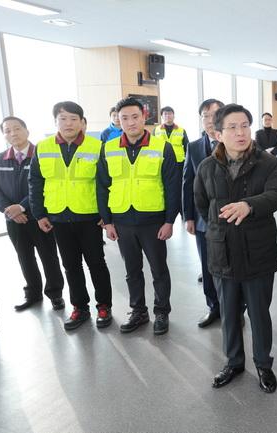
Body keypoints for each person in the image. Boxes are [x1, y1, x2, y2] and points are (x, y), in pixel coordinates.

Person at [194, 103, 277, 393]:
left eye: (245, 125)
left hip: (258, 251)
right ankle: (233, 363)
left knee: (259, 314)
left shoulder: (267, 163)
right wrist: (221, 229)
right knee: (229, 314)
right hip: (223, 252)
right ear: (218, 134)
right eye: (232, 127)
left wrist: (249, 205)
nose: (240, 132)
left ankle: (263, 364)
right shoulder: (207, 167)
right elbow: (202, 204)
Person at [97, 97, 180, 335]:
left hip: (152, 221)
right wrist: (107, 221)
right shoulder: (108, 148)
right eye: (124, 118)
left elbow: (172, 187)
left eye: (135, 117)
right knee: (131, 270)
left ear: (144, 117)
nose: (131, 122)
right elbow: (102, 186)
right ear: (118, 120)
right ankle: (138, 311)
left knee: (158, 270)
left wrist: (169, 221)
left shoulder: (162, 147)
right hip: (122, 220)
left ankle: (161, 312)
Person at [29, 101, 113, 330]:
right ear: (55, 121)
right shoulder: (43, 147)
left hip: (89, 216)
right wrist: (39, 214)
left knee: (96, 263)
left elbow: (106, 183)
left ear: (82, 122)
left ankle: (104, 306)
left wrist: (106, 214)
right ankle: (80, 308)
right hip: (58, 217)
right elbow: (35, 182)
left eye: (73, 119)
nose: (68, 123)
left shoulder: (97, 146)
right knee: (70, 265)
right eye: (63, 119)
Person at [0, 116, 64, 311]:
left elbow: (46, 186)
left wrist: (22, 207)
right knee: (24, 257)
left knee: (48, 257)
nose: (13, 133)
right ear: (4, 135)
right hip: (13, 220)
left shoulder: (41, 155)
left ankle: (55, 294)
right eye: (8, 130)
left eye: (17, 128)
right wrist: (11, 211)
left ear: (27, 130)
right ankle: (33, 294)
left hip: (39, 217)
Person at [183, 98, 224, 328]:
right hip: (202, 219)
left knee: (232, 266)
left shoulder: (235, 142)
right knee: (208, 267)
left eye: (214, 115)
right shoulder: (194, 147)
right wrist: (188, 216)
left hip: (229, 217)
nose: (210, 120)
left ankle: (235, 309)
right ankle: (213, 307)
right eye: (205, 116)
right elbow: (187, 182)